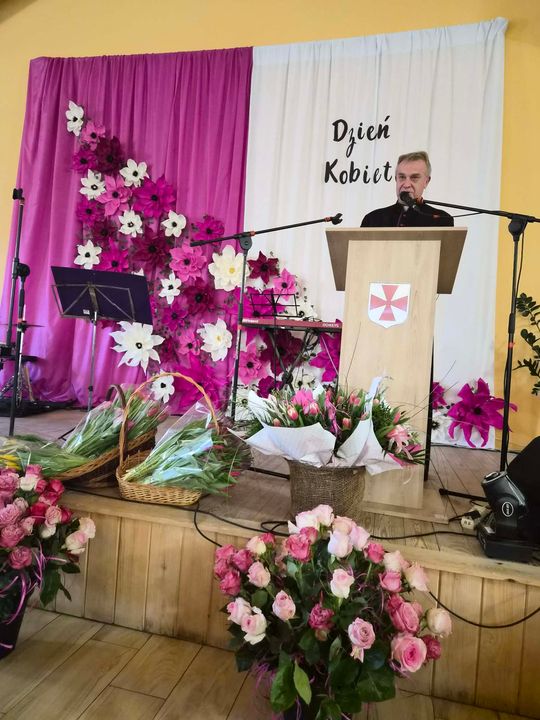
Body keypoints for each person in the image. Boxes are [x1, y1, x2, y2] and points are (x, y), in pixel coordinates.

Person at [361, 151, 454, 227]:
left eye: (414, 177)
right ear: (396, 179)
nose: (406, 185)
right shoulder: (372, 219)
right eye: (402, 177)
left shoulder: (441, 219)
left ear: (426, 182)